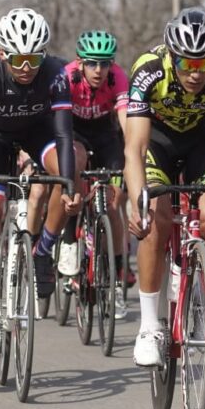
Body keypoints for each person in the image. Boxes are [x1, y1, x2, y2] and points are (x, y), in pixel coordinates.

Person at [124, 7, 205, 368]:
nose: (195, 73)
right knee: (155, 219)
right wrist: (138, 202)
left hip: (201, 137)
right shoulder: (149, 69)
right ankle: (149, 326)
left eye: (204, 64)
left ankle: (199, 297)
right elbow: (134, 148)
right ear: (172, 56)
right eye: (187, 63)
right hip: (157, 139)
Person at [0, 8, 82, 365]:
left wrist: (69, 186)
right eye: (18, 59)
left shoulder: (56, 74)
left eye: (34, 58)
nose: (27, 67)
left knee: (68, 171)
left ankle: (43, 250)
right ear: (2, 54)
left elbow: (64, 135)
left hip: (38, 132)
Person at [59, 30, 133, 316]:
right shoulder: (67, 77)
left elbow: (126, 121)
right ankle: (69, 241)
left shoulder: (118, 77)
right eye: (92, 63)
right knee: (75, 180)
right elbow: (56, 121)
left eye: (105, 63)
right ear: (80, 62)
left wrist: (132, 155)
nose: (99, 70)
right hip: (74, 132)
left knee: (113, 203)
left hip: (105, 135)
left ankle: (116, 274)